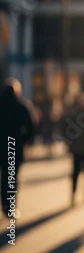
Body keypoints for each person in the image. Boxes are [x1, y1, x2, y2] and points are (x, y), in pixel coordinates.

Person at [0, 78, 35, 218]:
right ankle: (9, 207)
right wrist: (25, 141)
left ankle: (5, 205)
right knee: (11, 178)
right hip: (15, 148)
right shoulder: (22, 107)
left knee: (5, 177)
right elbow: (30, 128)